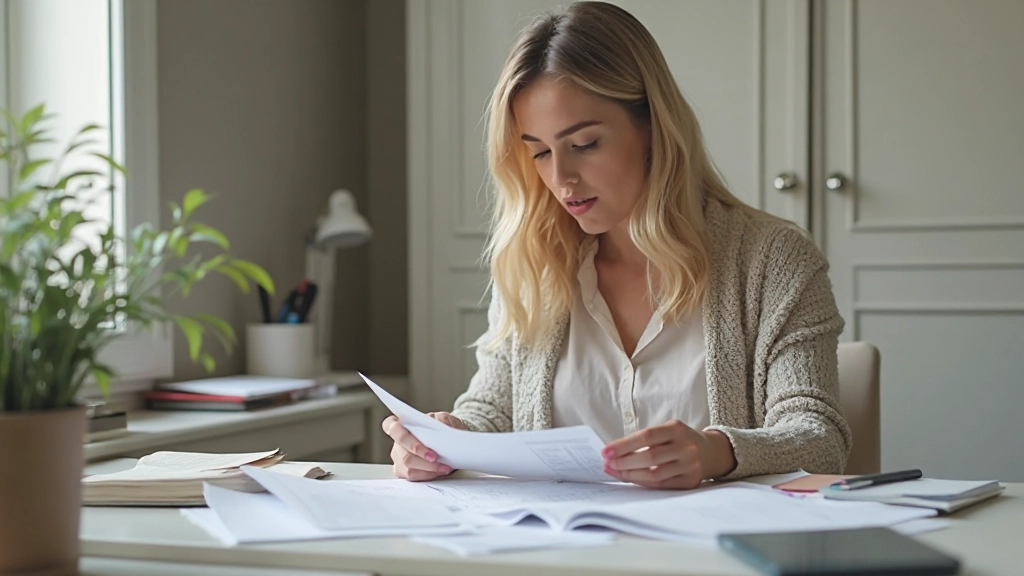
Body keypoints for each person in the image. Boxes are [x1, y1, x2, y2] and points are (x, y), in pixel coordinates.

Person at [383, 1, 850, 489]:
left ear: (651, 125)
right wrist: (446, 439)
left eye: (584, 144)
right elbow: (492, 409)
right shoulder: (536, 264)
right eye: (540, 152)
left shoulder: (773, 261)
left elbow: (820, 438)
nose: (560, 178)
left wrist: (717, 451)